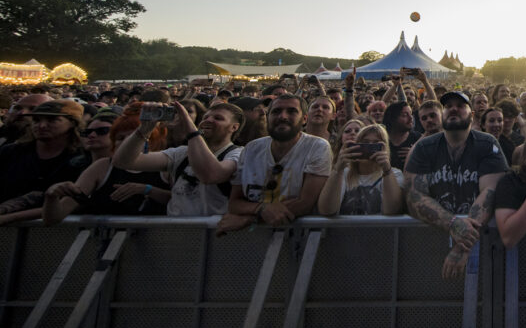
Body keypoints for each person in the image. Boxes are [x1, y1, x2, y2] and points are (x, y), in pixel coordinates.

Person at [404, 90, 508, 279]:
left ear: (472, 115)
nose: (453, 109)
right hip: (432, 243)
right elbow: (414, 197)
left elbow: (491, 193)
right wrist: (452, 224)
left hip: (482, 245)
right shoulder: (424, 147)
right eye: (448, 106)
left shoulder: (486, 144)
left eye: (460, 106)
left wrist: (462, 244)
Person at [216, 94, 331, 235]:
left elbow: (305, 203)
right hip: (254, 240)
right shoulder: (252, 149)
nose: (283, 116)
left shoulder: (317, 147)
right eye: (276, 111)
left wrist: (250, 219)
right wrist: (261, 209)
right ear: (267, 117)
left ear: (304, 119)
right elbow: (235, 204)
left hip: (300, 240)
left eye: (291, 111)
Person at [112, 101, 244, 216]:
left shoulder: (239, 154)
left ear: (234, 127)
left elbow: (211, 175)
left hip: (214, 236)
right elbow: (124, 162)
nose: (208, 120)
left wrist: (191, 130)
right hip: (176, 232)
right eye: (206, 117)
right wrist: (144, 129)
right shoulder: (182, 153)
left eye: (218, 118)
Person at [42, 112, 170, 224]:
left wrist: (148, 190)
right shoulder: (102, 167)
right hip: (107, 243)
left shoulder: (167, 166)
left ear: (152, 141)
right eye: (120, 138)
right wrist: (52, 197)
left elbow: (183, 201)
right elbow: (53, 218)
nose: (125, 142)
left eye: (132, 137)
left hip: (156, 243)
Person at [0, 100, 87, 219]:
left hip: (57, 233)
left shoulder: (82, 157)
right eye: (36, 120)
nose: (41, 126)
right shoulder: (11, 152)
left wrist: (9, 217)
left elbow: (73, 204)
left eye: (52, 120)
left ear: (72, 123)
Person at [319, 123, 403, 215]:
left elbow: (392, 210)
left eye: (375, 144)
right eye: (365, 143)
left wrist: (387, 170)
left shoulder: (394, 174)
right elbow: (326, 210)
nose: (369, 147)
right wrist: (338, 169)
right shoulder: (343, 174)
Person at [382, 101, 421, 170]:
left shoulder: (418, 139)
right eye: (405, 115)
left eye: (411, 114)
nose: (411, 118)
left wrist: (416, 156)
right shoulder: (381, 139)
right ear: (392, 118)